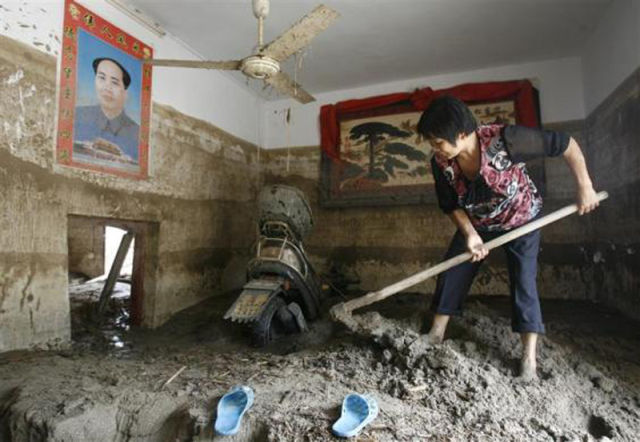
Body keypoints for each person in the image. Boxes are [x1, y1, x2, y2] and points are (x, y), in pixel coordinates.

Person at [416, 95, 599, 380]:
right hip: (480, 223)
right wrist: (471, 235)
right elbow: (450, 204)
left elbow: (567, 144)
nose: (435, 149)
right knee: (453, 269)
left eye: (438, 142)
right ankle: (436, 332)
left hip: (521, 219)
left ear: (462, 134)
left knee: (523, 282)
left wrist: (585, 186)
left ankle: (528, 359)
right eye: (432, 143)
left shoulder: (505, 139)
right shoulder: (442, 163)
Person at [73, 57, 140, 163]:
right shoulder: (76, 115)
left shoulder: (137, 134)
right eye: (102, 78)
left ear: (126, 93)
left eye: (114, 82)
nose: (107, 87)